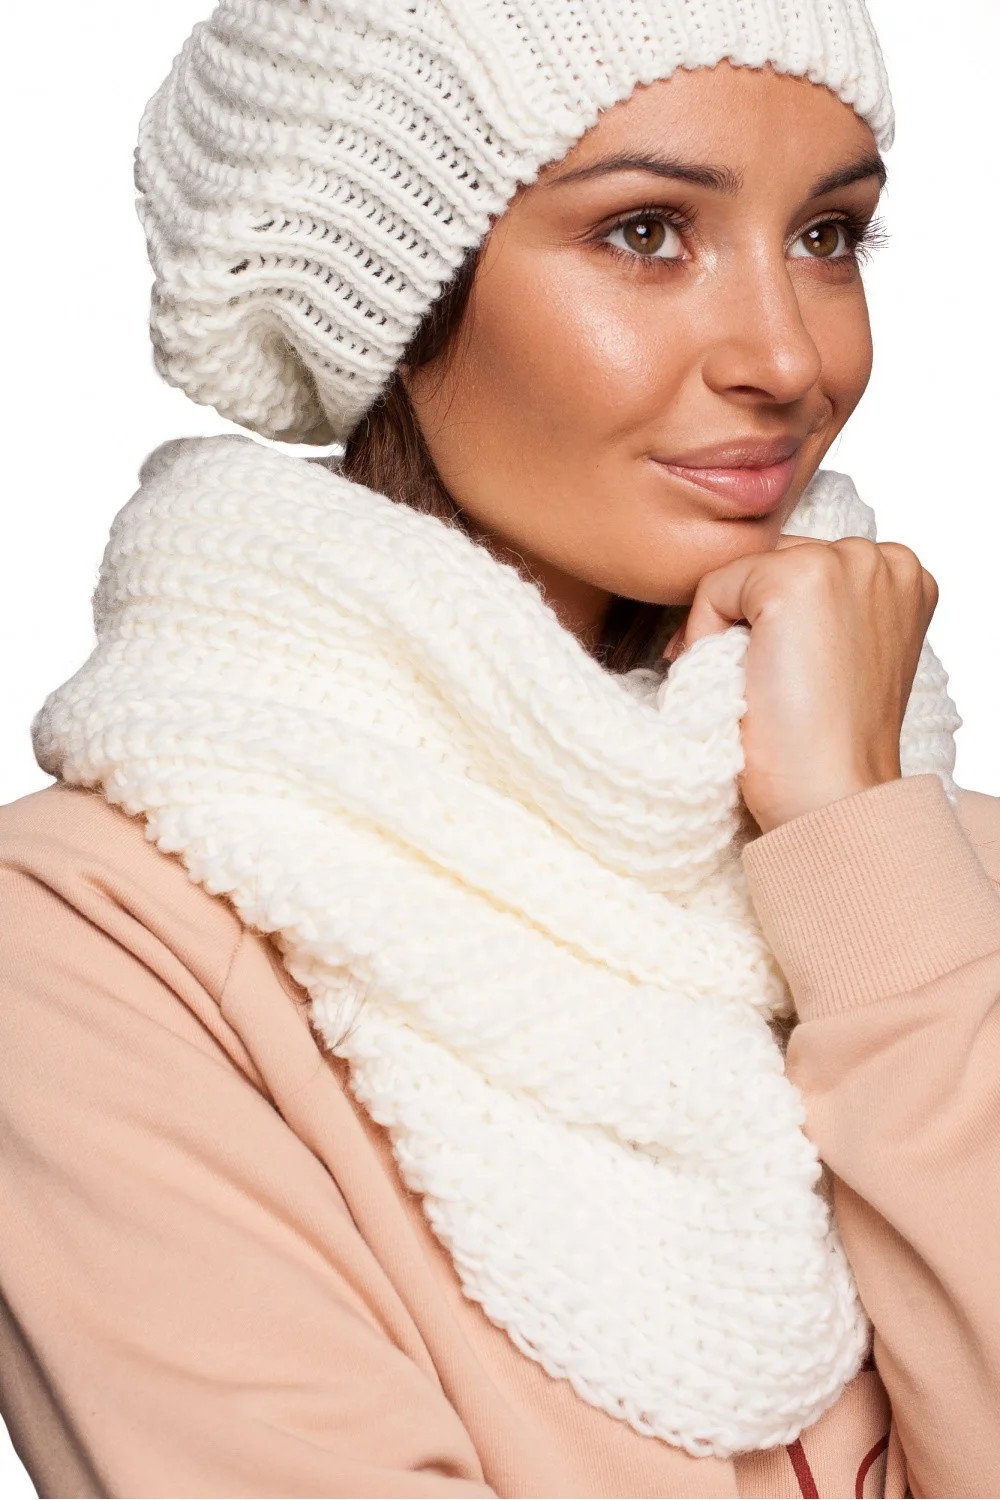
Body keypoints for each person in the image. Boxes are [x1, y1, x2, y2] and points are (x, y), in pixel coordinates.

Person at [2, 1, 999, 1496]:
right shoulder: (101, 941)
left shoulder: (928, 872)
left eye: (829, 235)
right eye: (648, 233)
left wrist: (856, 844)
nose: (789, 357)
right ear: (385, 303)